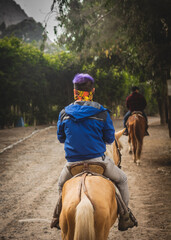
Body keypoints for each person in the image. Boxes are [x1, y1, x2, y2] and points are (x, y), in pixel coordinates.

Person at [50, 73, 137, 231]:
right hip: (99, 162)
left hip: (72, 165)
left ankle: (57, 216)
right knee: (122, 180)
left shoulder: (64, 113)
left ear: (74, 92)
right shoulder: (102, 113)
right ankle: (125, 217)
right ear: (92, 91)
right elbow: (110, 138)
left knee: (61, 184)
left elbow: (61, 138)